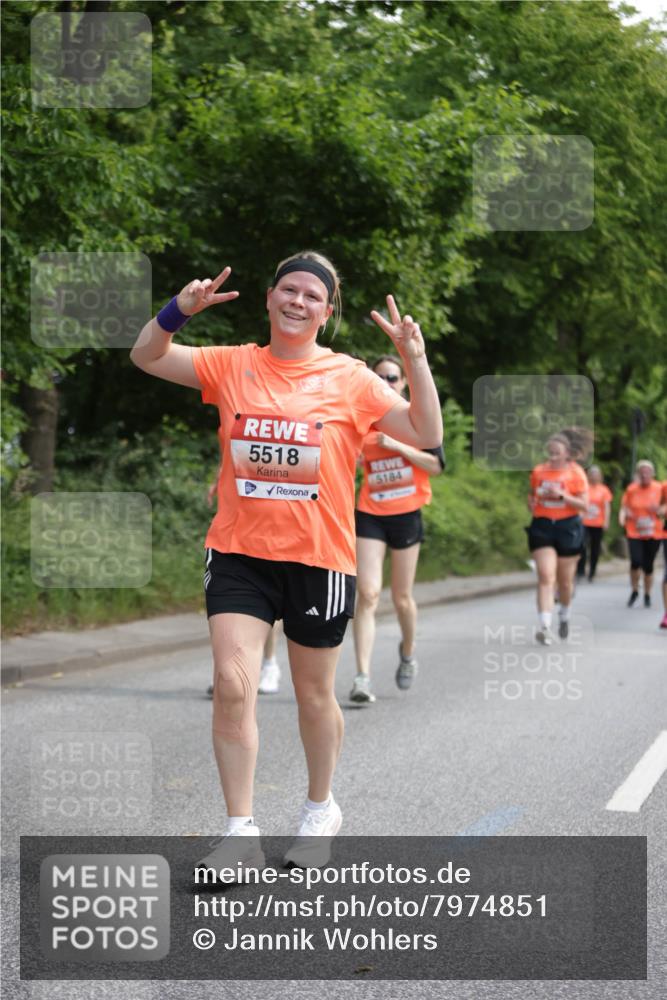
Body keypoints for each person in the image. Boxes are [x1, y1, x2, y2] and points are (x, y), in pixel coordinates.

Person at [129, 252, 442, 871]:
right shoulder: (233, 364)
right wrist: (177, 311)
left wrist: (416, 358)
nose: (299, 301)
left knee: (313, 696)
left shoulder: (351, 378)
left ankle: (320, 808)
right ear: (270, 298)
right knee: (231, 684)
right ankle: (240, 831)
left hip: (319, 559)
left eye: (313, 296)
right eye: (289, 290)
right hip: (239, 552)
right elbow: (147, 355)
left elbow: (425, 432)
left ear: (327, 314)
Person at [350, 355, 444, 704]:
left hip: (406, 515)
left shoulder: (416, 418)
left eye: (392, 377)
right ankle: (362, 677)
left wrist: (398, 446)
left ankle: (407, 652)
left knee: (401, 598)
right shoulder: (364, 421)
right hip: (370, 513)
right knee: (368, 594)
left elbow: (436, 465)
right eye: (380, 378)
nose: (386, 383)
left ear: (403, 382)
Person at [206, 432, 282, 696]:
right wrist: (219, 480)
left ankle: (270, 665)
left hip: (278, 520)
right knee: (230, 606)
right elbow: (232, 455)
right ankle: (229, 672)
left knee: (270, 601)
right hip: (238, 521)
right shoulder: (233, 405)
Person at [527, 431, 590, 645]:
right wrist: (536, 500)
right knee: (545, 576)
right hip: (543, 525)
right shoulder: (538, 472)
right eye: (550, 453)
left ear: (567, 454)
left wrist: (563, 496)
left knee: (565, 582)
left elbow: (584, 505)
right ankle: (544, 626)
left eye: (556, 453)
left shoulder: (576, 473)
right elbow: (531, 498)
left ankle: (564, 615)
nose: (552, 457)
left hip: (568, 527)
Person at [619, 460, 663, 608]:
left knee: (648, 565)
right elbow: (624, 507)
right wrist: (622, 517)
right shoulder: (631, 489)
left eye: (647, 472)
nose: (644, 474)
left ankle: (647, 594)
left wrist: (660, 510)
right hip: (634, 531)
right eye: (641, 472)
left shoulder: (660, 488)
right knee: (636, 561)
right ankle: (635, 590)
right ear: (638, 474)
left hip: (654, 532)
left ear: (653, 473)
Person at [576, 465, 612, 582]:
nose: (594, 477)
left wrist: (606, 521)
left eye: (596, 475)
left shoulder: (604, 490)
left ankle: (592, 570)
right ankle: (580, 570)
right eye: (592, 474)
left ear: (600, 477)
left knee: (595, 548)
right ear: (588, 476)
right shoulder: (584, 488)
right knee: (582, 545)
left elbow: (607, 507)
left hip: (598, 523)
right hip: (584, 522)